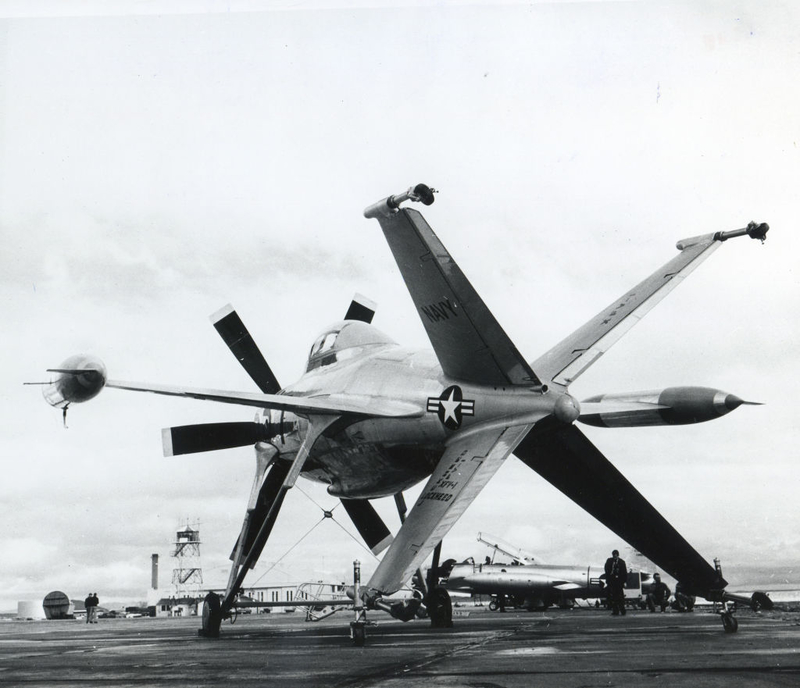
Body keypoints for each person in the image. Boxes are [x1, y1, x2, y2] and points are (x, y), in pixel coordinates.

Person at [604, 549, 628, 616]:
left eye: (616, 555)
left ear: (618, 555)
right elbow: (606, 570)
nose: (615, 556)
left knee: (620, 597)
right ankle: (615, 611)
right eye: (614, 555)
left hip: (619, 582)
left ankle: (622, 610)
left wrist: (624, 581)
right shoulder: (609, 561)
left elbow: (624, 573)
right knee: (613, 597)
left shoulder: (621, 562)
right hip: (612, 581)